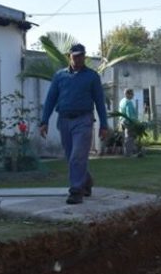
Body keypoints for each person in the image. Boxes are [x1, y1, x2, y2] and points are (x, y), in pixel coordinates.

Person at [39, 43, 109, 205]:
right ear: (69, 57)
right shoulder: (60, 76)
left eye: (81, 55)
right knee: (71, 157)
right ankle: (87, 180)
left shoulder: (92, 76)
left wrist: (104, 125)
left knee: (77, 155)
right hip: (63, 120)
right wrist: (44, 121)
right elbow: (50, 99)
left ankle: (76, 191)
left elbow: (100, 102)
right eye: (75, 56)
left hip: (83, 120)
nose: (78, 59)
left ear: (84, 56)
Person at [118, 88, 139, 157]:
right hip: (128, 122)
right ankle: (128, 153)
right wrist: (134, 121)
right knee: (130, 137)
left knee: (125, 137)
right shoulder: (128, 102)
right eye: (132, 94)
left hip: (122, 121)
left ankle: (126, 152)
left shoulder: (122, 101)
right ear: (128, 94)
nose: (133, 96)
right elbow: (129, 114)